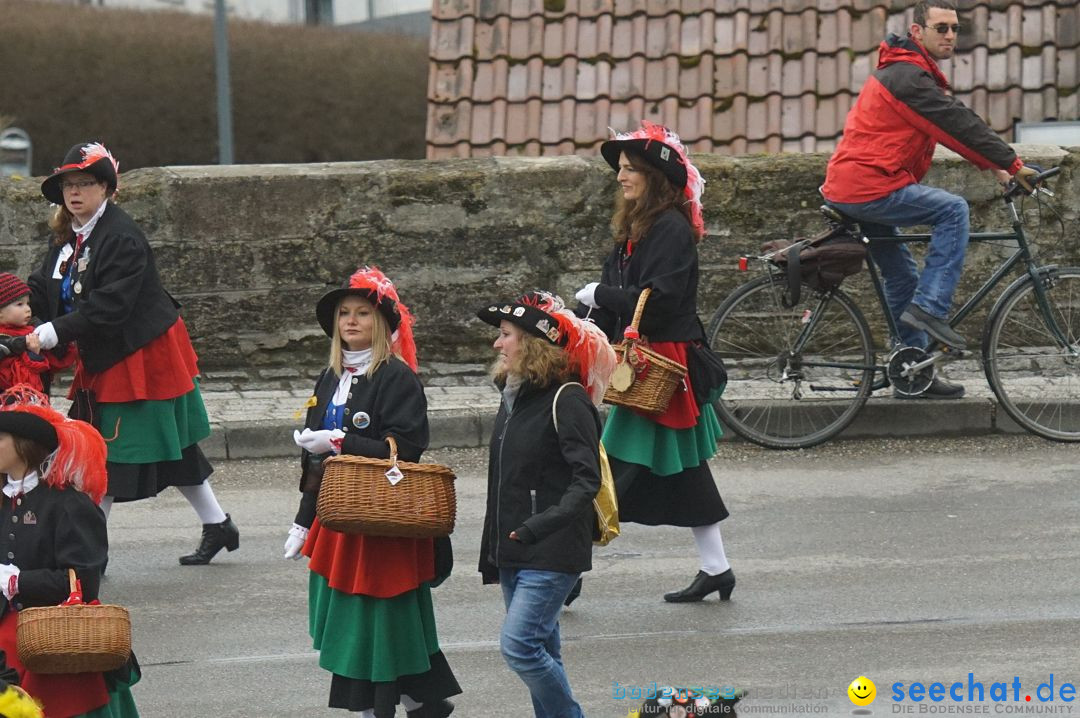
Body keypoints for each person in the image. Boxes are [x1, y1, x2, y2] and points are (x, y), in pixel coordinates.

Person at [28, 141, 239, 565]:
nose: (75, 192)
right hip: (108, 348)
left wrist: (52, 333)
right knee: (169, 445)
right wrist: (16, 313)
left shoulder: (121, 237)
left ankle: (88, 553)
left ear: (106, 188)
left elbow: (109, 307)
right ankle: (218, 525)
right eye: (69, 185)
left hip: (141, 350)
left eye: (86, 183)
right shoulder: (68, 237)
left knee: (107, 447)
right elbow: (45, 288)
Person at [821, 0, 1038, 397]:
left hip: (858, 185)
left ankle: (913, 369)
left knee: (902, 273)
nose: (950, 36)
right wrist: (1013, 161)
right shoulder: (907, 77)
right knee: (953, 209)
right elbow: (956, 120)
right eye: (941, 28)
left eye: (955, 28)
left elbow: (948, 130)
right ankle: (932, 310)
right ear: (917, 32)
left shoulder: (908, 74)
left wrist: (997, 168)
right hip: (869, 187)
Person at [285, 266, 459, 718]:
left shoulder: (397, 377)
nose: (351, 321)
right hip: (337, 519)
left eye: (363, 312)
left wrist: (344, 442)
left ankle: (393, 705)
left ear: (381, 323)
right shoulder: (328, 377)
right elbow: (315, 462)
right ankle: (421, 702)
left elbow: (409, 449)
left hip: (384, 520)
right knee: (350, 623)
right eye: (344, 313)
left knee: (381, 624)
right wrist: (303, 519)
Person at [575, 121, 734, 604]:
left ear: (653, 177)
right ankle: (717, 568)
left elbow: (657, 301)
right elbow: (615, 302)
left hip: (661, 369)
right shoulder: (635, 231)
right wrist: (578, 322)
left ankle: (564, 571)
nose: (621, 177)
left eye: (630, 170)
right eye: (620, 169)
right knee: (686, 472)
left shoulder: (669, 229)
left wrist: (600, 294)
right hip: (648, 367)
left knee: (609, 471)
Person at [477, 290, 614, 718]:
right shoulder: (514, 397)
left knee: (519, 647)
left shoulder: (567, 399)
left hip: (551, 550)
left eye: (505, 335)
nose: (498, 344)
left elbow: (586, 479)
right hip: (515, 548)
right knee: (544, 648)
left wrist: (540, 525)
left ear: (532, 342)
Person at [0, 385, 140, 718]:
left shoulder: (68, 505)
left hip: (52, 635)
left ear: (23, 447)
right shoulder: (4, 499)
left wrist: (18, 582)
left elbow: (84, 582)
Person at [0, 274, 74, 393]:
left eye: (28, 303)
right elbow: (20, 384)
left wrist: (59, 342)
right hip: (13, 406)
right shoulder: (4, 339)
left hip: (38, 403)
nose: (28, 309)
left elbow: (56, 364)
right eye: (20, 304)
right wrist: (33, 355)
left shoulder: (32, 330)